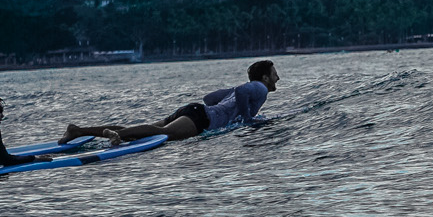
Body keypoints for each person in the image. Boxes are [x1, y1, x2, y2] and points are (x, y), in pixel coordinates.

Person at [62, 61, 279, 146]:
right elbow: (242, 91)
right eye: (275, 73)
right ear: (265, 77)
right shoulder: (259, 88)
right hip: (201, 118)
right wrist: (247, 118)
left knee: (146, 130)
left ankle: (78, 130)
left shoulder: (241, 90)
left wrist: (229, 110)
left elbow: (209, 99)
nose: (278, 78)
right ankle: (113, 134)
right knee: (162, 133)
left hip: (196, 110)